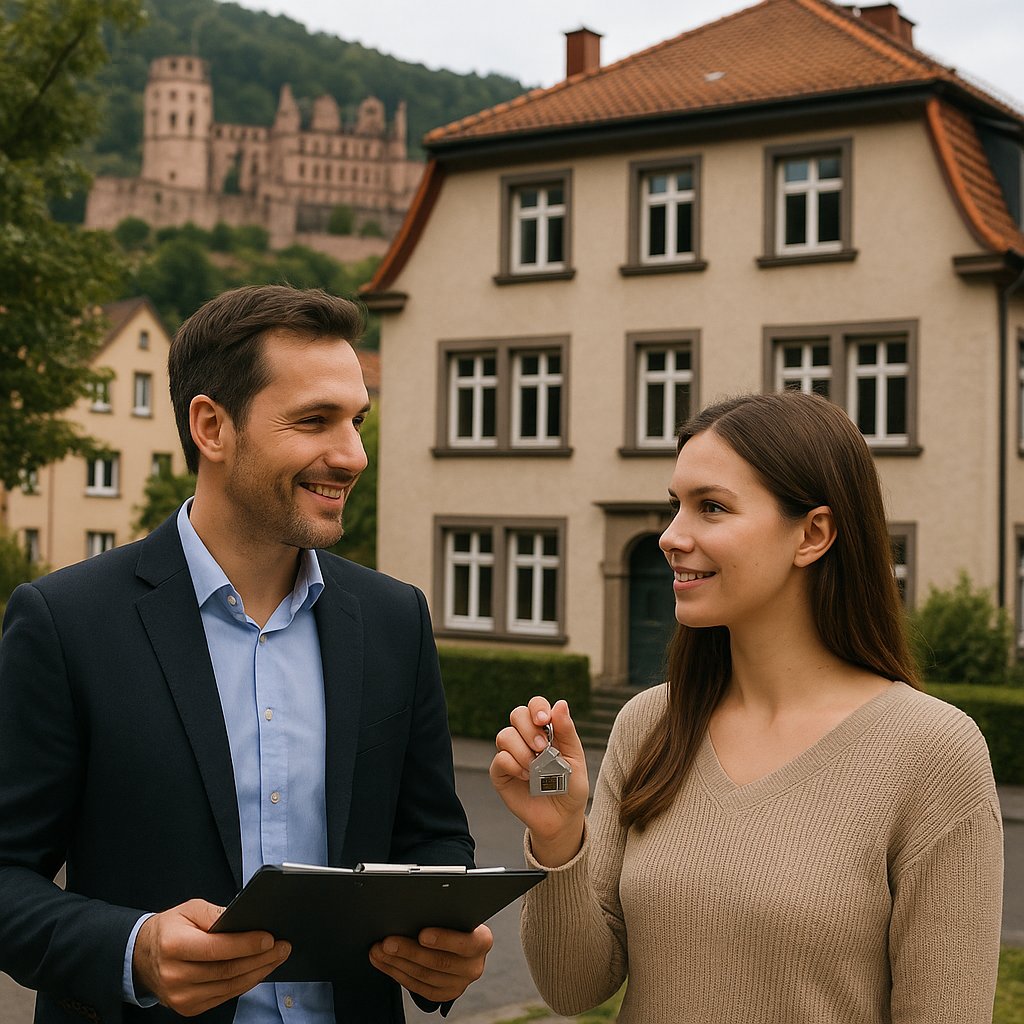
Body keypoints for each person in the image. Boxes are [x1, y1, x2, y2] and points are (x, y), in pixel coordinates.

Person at [0, 285, 491, 1024]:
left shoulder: (396, 619)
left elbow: (431, 837)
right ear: (211, 426)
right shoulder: (64, 622)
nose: (352, 455)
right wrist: (133, 947)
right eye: (315, 421)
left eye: (357, 421)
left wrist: (443, 946)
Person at [490, 391, 1003, 1023]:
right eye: (673, 507)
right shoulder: (649, 725)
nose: (671, 537)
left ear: (813, 534)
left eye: (711, 507)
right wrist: (558, 832)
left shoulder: (933, 753)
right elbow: (573, 990)